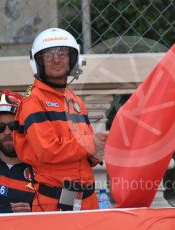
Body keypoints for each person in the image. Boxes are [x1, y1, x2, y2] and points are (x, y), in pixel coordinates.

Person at [14, 28, 107, 212]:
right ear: (38, 61)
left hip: (87, 200)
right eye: (48, 55)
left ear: (73, 58)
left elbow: (79, 152)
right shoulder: (33, 101)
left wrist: (95, 154)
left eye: (62, 53)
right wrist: (90, 144)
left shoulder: (74, 99)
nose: (56, 59)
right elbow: (47, 151)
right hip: (55, 203)